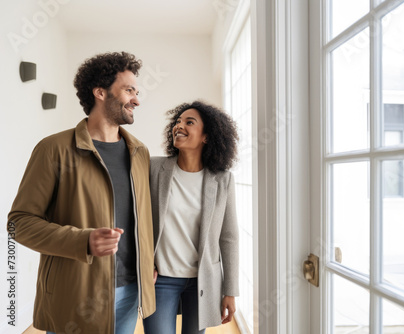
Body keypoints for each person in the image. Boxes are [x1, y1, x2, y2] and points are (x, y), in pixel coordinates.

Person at [7, 51, 156, 334]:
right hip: (75, 293)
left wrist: (149, 261)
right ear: (100, 92)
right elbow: (19, 223)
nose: (137, 100)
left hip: (130, 290)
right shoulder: (53, 149)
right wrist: (83, 241)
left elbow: (143, 217)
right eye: (128, 90)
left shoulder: (140, 152)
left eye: (137, 92)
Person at [143, 101, 239, 334]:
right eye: (177, 122)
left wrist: (230, 291)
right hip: (161, 279)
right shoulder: (154, 168)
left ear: (207, 136)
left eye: (189, 122)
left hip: (203, 280)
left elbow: (229, 237)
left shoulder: (223, 179)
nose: (179, 126)